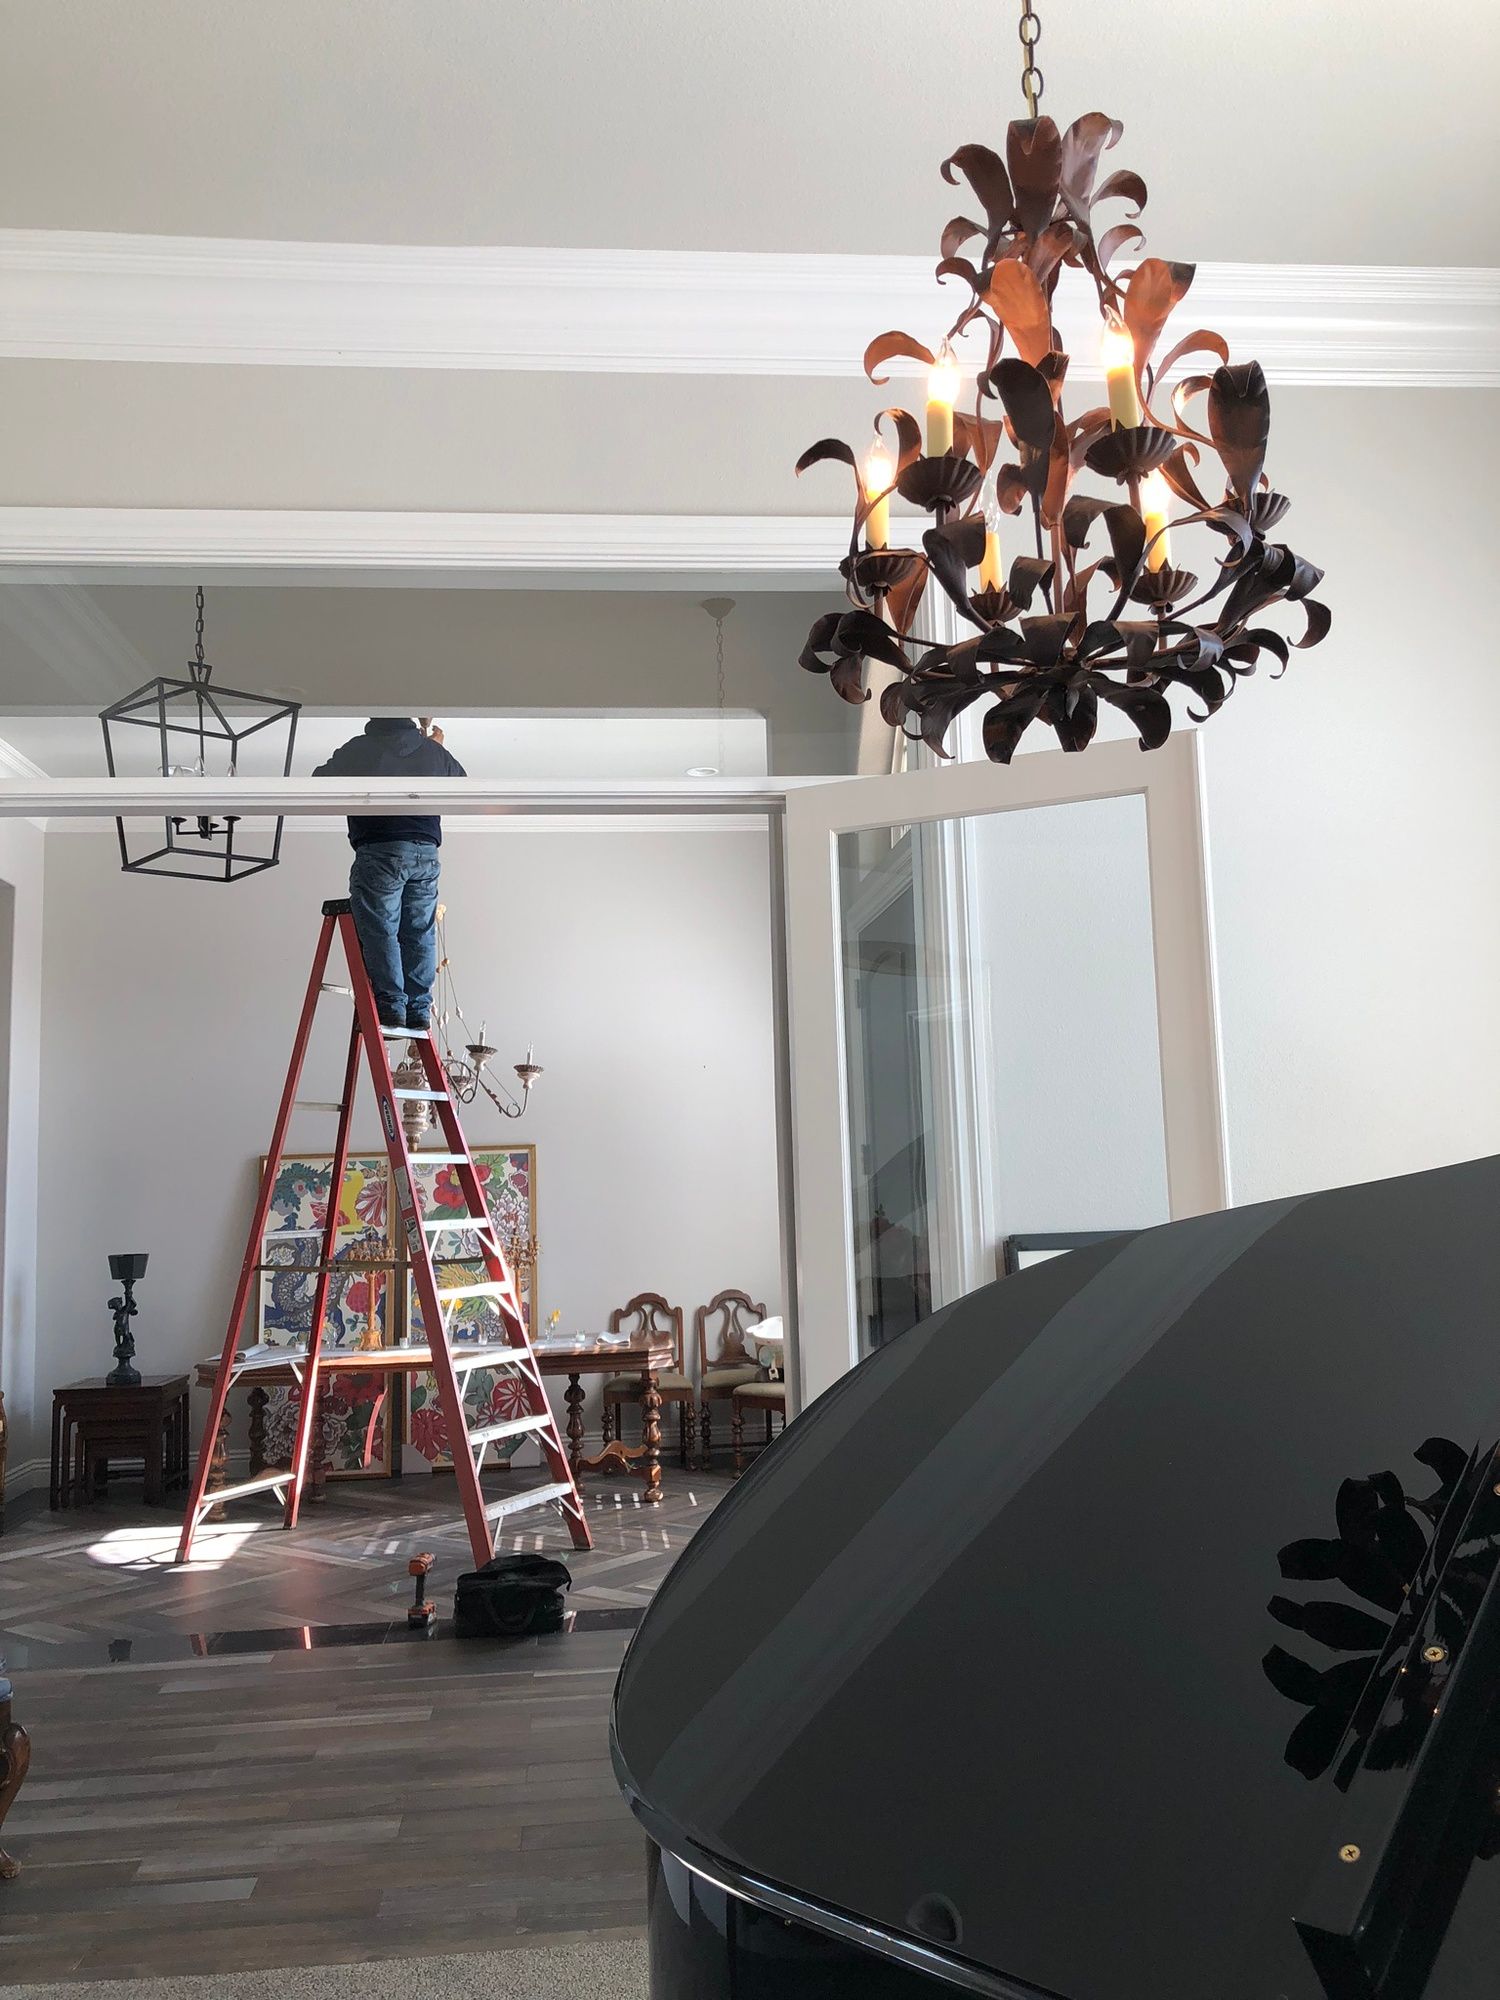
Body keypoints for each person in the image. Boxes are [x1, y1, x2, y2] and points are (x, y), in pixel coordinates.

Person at [312, 717, 465, 1032]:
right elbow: (462, 786)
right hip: (426, 852)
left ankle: (392, 1008)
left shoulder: (358, 749)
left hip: (381, 849)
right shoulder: (433, 752)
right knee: (419, 932)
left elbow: (318, 782)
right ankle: (419, 1010)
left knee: (382, 930)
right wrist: (433, 751)